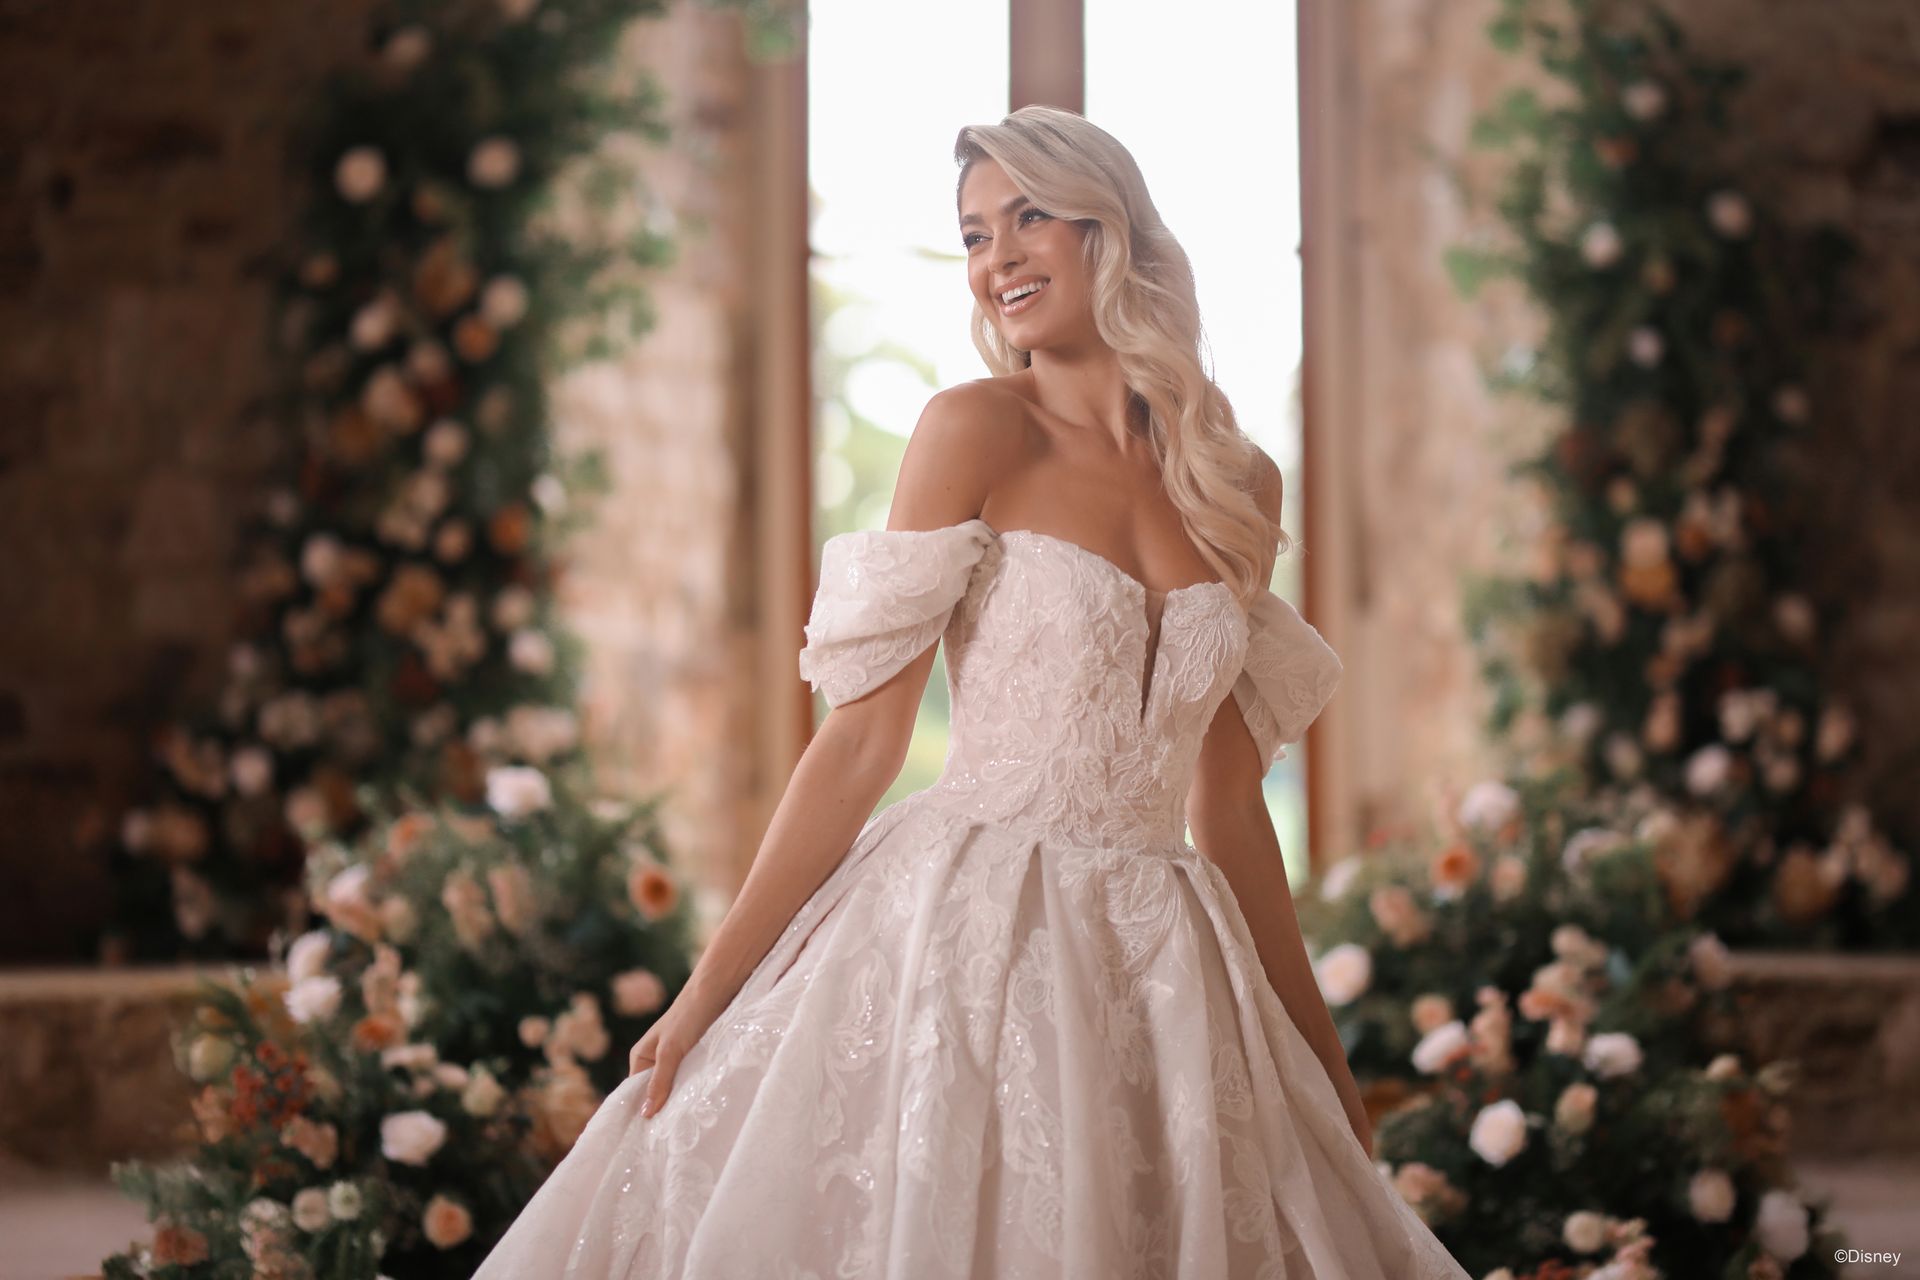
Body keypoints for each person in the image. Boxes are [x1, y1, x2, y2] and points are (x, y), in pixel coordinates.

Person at [472, 104, 1470, 1279]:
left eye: (1029, 216)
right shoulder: (974, 430)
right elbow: (860, 745)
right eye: (974, 233)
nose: (998, 257)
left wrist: (1323, 1061)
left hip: (1167, 964)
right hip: (972, 934)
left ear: (1111, 230)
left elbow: (1231, 804)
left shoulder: (1232, 479)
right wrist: (706, 994)